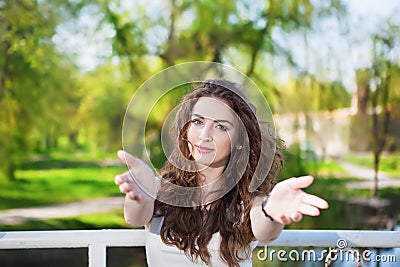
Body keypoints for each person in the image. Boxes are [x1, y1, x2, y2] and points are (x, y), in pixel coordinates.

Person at [115, 78, 329, 267]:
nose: (205, 135)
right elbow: (135, 217)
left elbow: (265, 231)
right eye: (198, 122)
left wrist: (271, 212)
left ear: (239, 141)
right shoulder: (160, 189)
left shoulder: (249, 198)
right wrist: (139, 196)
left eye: (221, 127)